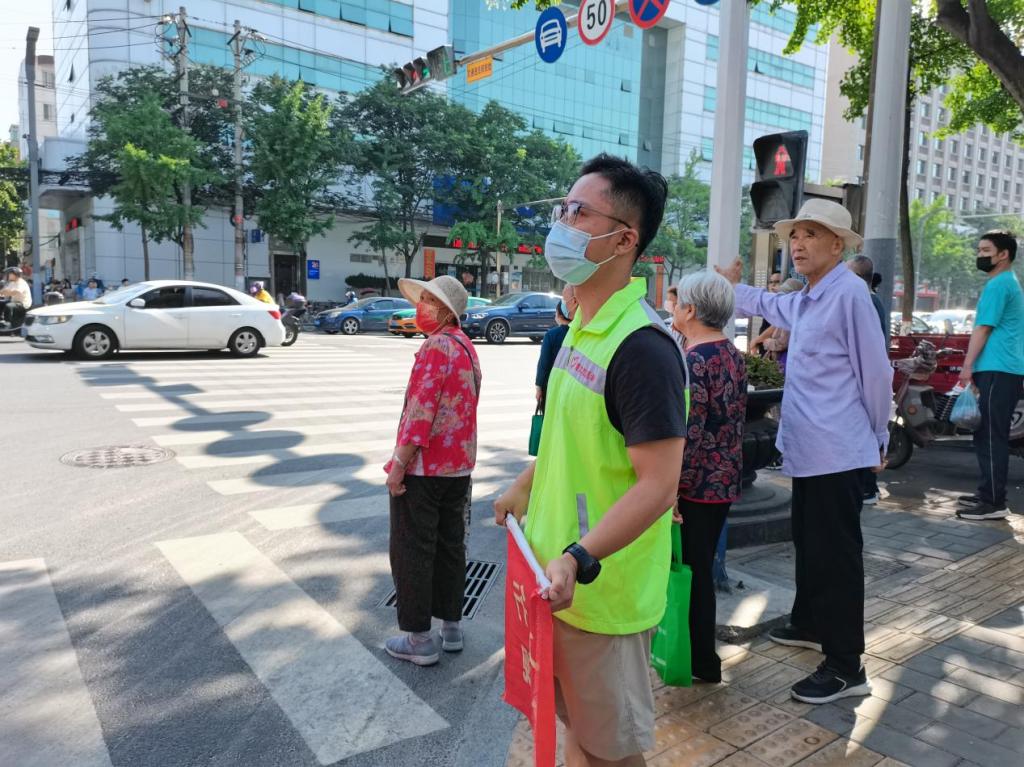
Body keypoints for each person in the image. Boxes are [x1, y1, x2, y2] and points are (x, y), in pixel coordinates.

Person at [494, 154, 687, 766]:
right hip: (554, 582)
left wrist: (580, 556)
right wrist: (525, 484)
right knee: (578, 731)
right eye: (563, 209)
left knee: (612, 752)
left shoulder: (642, 348)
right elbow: (570, 438)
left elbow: (659, 486)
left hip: (600, 594)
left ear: (624, 240)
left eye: (579, 213)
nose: (562, 224)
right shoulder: (583, 327)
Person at [717, 198, 892, 705]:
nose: (797, 243)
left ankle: (845, 666)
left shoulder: (850, 295)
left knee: (836, 557)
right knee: (811, 544)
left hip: (839, 451)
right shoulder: (813, 295)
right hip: (812, 451)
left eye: (811, 234)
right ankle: (811, 623)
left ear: (838, 245)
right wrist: (729, 286)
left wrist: (878, 436)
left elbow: (876, 373)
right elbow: (769, 305)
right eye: (794, 235)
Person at [384, 275, 482, 666]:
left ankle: (419, 639)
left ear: (444, 310)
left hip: (425, 469)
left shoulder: (436, 346)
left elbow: (421, 412)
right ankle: (451, 627)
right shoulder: (466, 347)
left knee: (413, 549)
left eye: (426, 300)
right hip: (458, 466)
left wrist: (398, 465)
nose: (419, 306)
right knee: (450, 547)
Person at [671, 270, 747, 684]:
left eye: (678, 301)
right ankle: (700, 658)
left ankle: (699, 660)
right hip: (724, 480)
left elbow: (690, 433)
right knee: (701, 569)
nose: (673, 308)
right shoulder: (732, 353)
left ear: (691, 310)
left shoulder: (695, 360)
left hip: (696, 486)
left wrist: (671, 491)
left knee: (693, 572)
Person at [956, 230, 1024, 520]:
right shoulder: (1006, 282)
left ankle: (994, 503)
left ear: (1003, 254)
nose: (980, 256)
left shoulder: (999, 284)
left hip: (998, 369)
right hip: (1000, 369)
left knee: (992, 437)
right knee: (986, 434)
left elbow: (983, 328)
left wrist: (967, 366)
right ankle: (988, 493)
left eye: (986, 251)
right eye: (979, 250)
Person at [847, 255, 888, 506]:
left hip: (866, 378)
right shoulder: (871, 300)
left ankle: (868, 488)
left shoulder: (866, 301)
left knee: (866, 432)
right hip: (867, 377)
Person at [535, 285, 577, 405]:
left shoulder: (552, 335)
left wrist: (539, 386)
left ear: (559, 314)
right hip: (572, 387)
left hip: (552, 386)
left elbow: (544, 363)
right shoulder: (579, 332)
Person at [759, 278, 804, 373]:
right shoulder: (789, 314)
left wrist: (767, 342)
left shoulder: (792, 318)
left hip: (785, 363)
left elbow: (782, 343)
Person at [750, 271, 783, 354]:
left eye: (777, 282)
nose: (773, 285)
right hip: (764, 349)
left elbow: (777, 326)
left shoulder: (782, 302)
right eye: (771, 282)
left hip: (775, 351)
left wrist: (757, 340)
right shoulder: (770, 302)